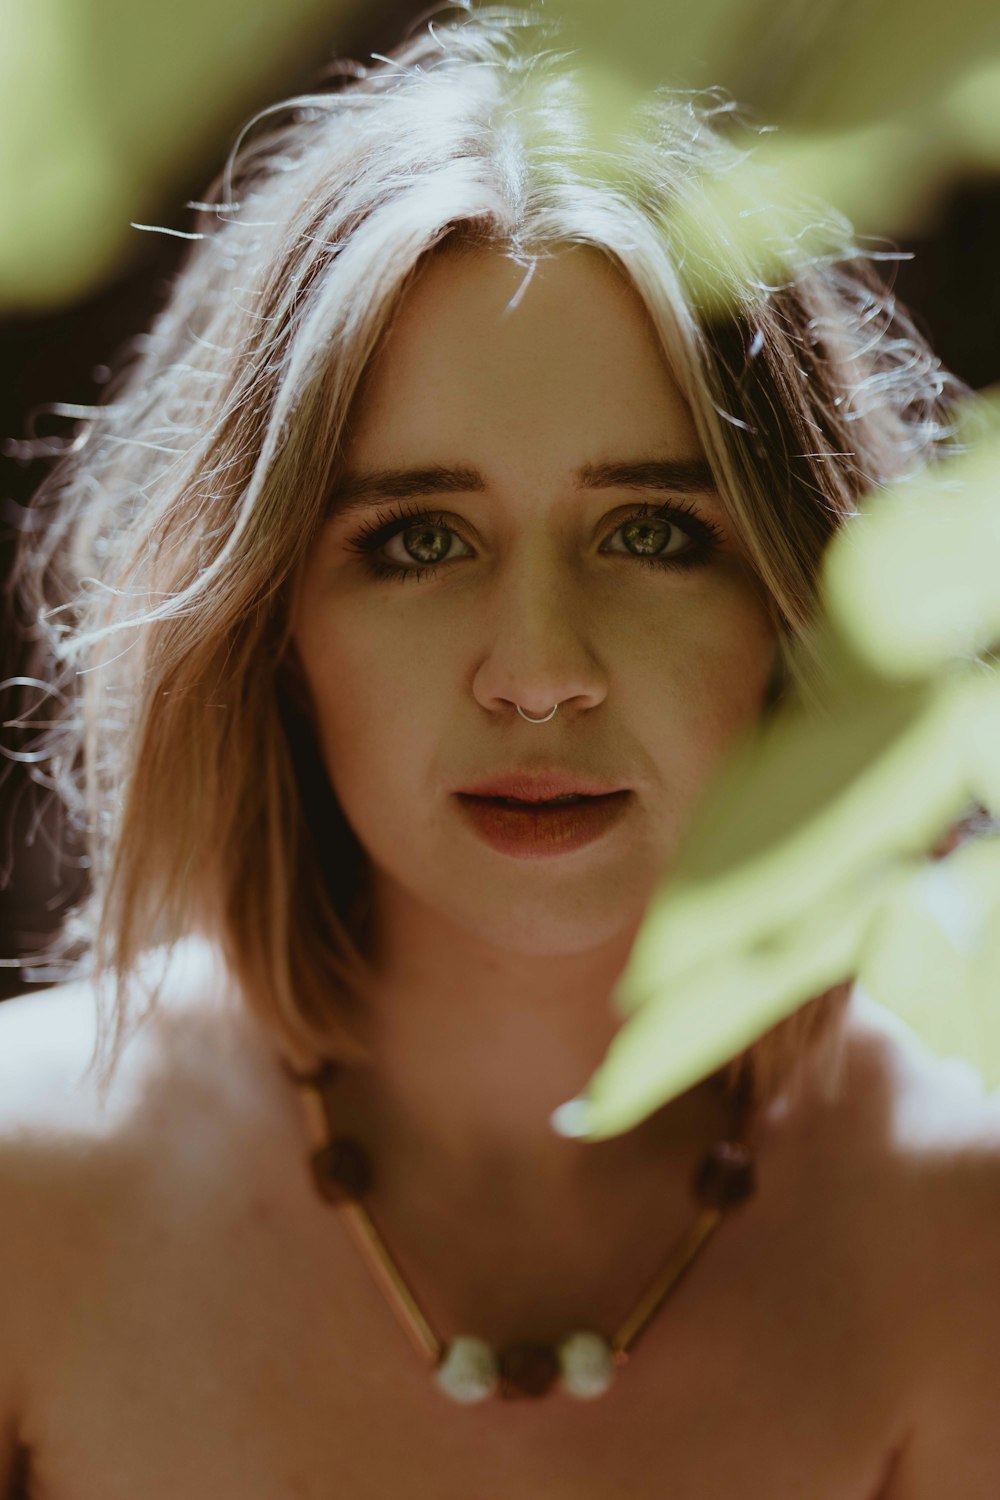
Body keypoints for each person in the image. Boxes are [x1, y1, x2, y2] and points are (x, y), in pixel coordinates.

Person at [1, 5, 998, 1496]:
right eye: (417, 540)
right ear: (274, 618)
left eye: (654, 533)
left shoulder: (961, 1226)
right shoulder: (28, 1201)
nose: (540, 672)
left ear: (808, 601)